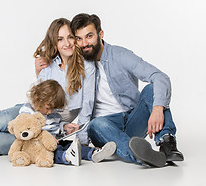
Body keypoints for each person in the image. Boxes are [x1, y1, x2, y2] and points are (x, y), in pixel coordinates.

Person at [0, 18, 115, 163]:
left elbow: (87, 105)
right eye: (60, 39)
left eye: (69, 37)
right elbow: (40, 95)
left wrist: (82, 139)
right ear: (54, 42)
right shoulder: (48, 65)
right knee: (2, 119)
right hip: (31, 111)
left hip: (51, 123)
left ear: (75, 39)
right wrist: (38, 71)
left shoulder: (87, 66)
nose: (66, 43)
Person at [36, 13, 184, 167]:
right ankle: (140, 154)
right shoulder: (78, 65)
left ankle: (167, 143)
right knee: (95, 124)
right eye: (79, 38)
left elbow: (160, 77)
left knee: (152, 89)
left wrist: (158, 108)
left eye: (89, 36)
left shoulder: (120, 55)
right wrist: (40, 71)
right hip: (103, 128)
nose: (84, 43)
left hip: (132, 119)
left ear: (101, 34)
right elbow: (63, 95)